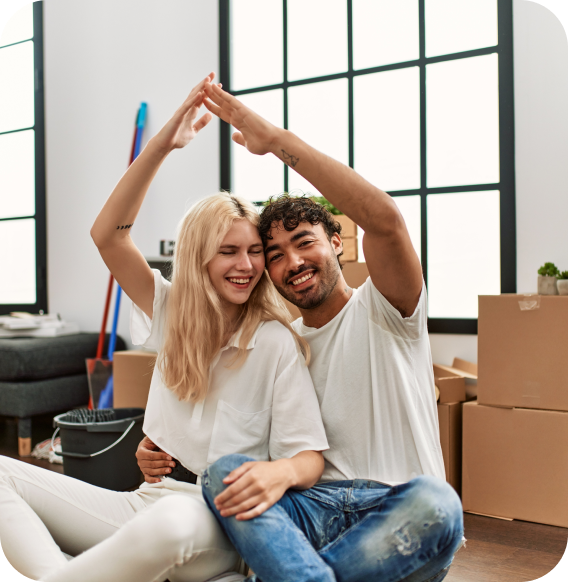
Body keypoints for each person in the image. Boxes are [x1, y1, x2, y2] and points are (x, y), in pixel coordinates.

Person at [0, 74, 329, 582]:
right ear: (199, 257)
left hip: (216, 524)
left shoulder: (274, 343)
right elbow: (108, 236)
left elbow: (307, 457)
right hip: (146, 506)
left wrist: (273, 474)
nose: (245, 264)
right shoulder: (171, 309)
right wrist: (163, 146)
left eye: (254, 251)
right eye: (228, 251)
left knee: (175, 523)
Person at [138, 81, 464, 582]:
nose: (292, 262)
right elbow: (244, 436)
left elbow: (385, 221)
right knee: (226, 474)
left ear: (338, 242)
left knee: (438, 502)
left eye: (304, 242)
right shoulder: (276, 340)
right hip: (309, 517)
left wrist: (275, 141)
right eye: (274, 254)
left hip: (395, 517)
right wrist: (162, 444)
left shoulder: (387, 312)